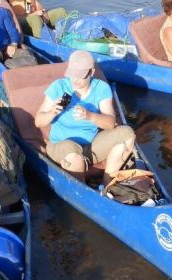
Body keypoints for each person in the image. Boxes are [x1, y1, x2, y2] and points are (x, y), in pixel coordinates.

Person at [34, 50, 136, 184]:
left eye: (79, 76)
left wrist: (90, 116)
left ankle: (107, 183)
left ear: (91, 72)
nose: (74, 80)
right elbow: (38, 122)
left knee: (127, 133)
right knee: (72, 153)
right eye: (72, 75)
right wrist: (52, 112)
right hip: (61, 145)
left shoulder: (101, 88)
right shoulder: (59, 86)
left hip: (90, 145)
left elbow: (110, 123)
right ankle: (82, 189)